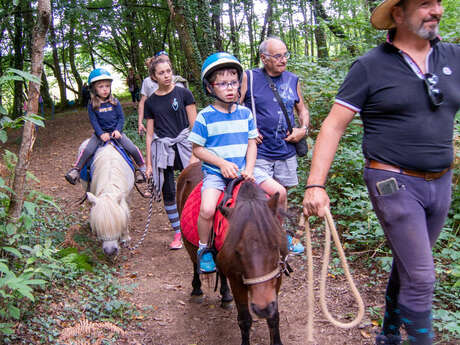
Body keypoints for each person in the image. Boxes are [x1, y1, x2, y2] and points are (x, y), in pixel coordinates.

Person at [302, 1, 459, 344]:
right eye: (425, 4)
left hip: (441, 182)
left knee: (410, 265)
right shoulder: (371, 66)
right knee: (421, 277)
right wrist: (315, 184)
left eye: (438, 2)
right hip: (393, 183)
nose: (437, 10)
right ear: (399, 14)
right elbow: (332, 126)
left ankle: (388, 334)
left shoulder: (454, 58)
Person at [189, 52, 258, 273]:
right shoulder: (205, 117)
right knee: (208, 209)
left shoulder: (246, 113)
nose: (230, 88)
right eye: (222, 84)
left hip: (243, 170)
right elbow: (197, 149)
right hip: (216, 174)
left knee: (278, 194)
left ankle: (277, 236)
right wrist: (221, 163)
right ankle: (203, 248)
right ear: (210, 88)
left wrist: (249, 169)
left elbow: (252, 144)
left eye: (234, 82)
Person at [240, 37, 310, 254]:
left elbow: (302, 110)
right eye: (278, 56)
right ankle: (260, 236)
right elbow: (236, 106)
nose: (283, 60)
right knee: (262, 196)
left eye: (285, 55)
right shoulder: (249, 77)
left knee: (282, 195)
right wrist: (248, 129)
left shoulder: (292, 80)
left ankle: (279, 235)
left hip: (286, 151)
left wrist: (303, 129)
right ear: (264, 58)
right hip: (259, 151)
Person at [144, 56, 198, 250]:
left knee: (195, 185)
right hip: (164, 148)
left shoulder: (184, 94)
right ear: (153, 77)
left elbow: (196, 126)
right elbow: (150, 135)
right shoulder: (151, 102)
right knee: (168, 190)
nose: (166, 75)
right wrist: (149, 165)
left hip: (185, 144)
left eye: (168, 71)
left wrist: (196, 153)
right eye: (161, 73)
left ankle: (197, 228)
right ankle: (178, 232)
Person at [65, 68, 147, 185]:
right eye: (101, 86)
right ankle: (76, 170)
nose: (105, 89)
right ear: (94, 89)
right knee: (87, 150)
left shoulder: (115, 102)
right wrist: (100, 133)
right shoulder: (92, 104)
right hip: (100, 135)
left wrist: (118, 130)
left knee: (132, 148)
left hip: (116, 133)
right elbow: (94, 121)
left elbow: (121, 118)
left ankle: (141, 168)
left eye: (107, 86)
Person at [138, 51, 188, 135]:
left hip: (180, 128)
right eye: (162, 60)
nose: (166, 62)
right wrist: (140, 122)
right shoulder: (147, 82)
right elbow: (142, 103)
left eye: (168, 60)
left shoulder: (178, 81)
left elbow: (185, 104)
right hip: (159, 126)